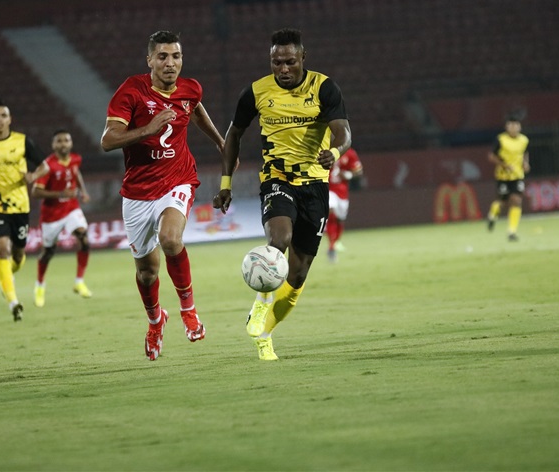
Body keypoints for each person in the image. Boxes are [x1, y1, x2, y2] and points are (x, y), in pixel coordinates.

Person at [213, 28, 352, 361]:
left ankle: (265, 334)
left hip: (315, 186)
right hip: (277, 179)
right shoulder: (256, 92)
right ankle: (261, 303)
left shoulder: (324, 88)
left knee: (298, 274)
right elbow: (234, 134)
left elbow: (343, 132)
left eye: (290, 61)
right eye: (277, 62)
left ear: (303, 57)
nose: (283, 69)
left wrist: (335, 152)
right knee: (279, 239)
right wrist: (225, 183)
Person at [100, 30, 225, 361]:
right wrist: (148, 129)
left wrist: (220, 141)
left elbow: (194, 108)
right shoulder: (132, 90)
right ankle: (156, 322)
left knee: (170, 239)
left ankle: (189, 310)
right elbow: (108, 140)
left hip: (177, 179)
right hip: (138, 192)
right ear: (150, 60)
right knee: (147, 272)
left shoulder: (190, 88)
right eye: (163, 57)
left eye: (176, 56)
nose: (171, 63)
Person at [0, 99, 50, 321]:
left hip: (20, 206)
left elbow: (45, 165)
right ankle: (13, 302)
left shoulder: (22, 142)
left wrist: (33, 175)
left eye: (3, 116)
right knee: (1, 249)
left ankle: (6, 278)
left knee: (18, 255)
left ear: (10, 119)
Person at [32, 129, 92, 308]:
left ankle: (79, 281)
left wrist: (83, 191)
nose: (63, 144)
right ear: (53, 145)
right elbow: (35, 191)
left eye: (66, 140)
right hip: (52, 215)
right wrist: (60, 194)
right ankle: (39, 286)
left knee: (83, 237)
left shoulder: (75, 158)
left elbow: (76, 172)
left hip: (71, 208)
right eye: (59, 141)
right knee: (48, 253)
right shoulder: (47, 166)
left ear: (71, 143)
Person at [486, 114, 530, 241]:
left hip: (517, 175)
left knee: (516, 200)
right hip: (503, 176)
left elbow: (525, 152)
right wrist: (504, 165)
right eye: (511, 125)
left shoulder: (524, 140)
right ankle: (492, 216)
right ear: (506, 127)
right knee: (501, 203)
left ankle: (512, 231)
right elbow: (491, 156)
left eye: (516, 125)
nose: (513, 128)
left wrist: (526, 163)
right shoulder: (501, 140)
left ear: (519, 127)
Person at [326, 146, 363, 263]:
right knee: (330, 211)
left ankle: (336, 241)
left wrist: (348, 175)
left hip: (342, 192)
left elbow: (359, 171)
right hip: (328, 189)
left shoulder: (350, 152)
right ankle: (331, 246)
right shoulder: (325, 149)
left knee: (340, 219)